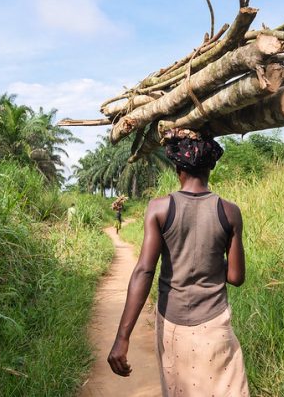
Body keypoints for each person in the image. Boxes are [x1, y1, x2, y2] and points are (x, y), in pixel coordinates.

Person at [107, 129, 249, 396]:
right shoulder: (229, 212)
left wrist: (122, 339)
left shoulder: (160, 208)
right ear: (211, 166)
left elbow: (144, 271)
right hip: (215, 324)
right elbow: (236, 277)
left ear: (177, 168)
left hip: (173, 325)